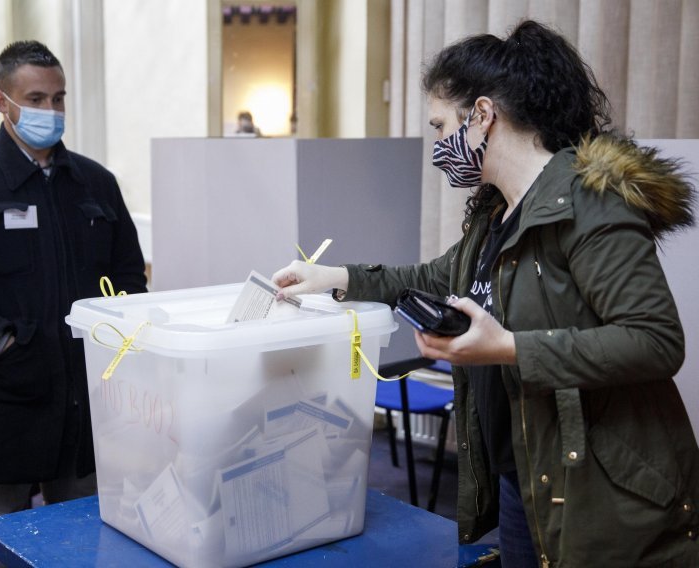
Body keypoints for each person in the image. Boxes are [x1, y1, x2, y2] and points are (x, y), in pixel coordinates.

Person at [273, 20, 699, 567]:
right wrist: (335, 278)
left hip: (601, 491)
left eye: (439, 125)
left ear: (482, 114)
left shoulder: (590, 204)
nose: (436, 147)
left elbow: (655, 340)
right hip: (526, 473)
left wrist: (510, 348)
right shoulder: (498, 215)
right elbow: (433, 278)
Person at [0, 41, 147, 567]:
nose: (51, 112)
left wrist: (113, 340)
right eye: (36, 98)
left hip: (84, 400)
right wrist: (1, 341)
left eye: (59, 99)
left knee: (81, 538)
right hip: (3, 398)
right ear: (2, 101)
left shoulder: (95, 183)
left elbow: (129, 276)